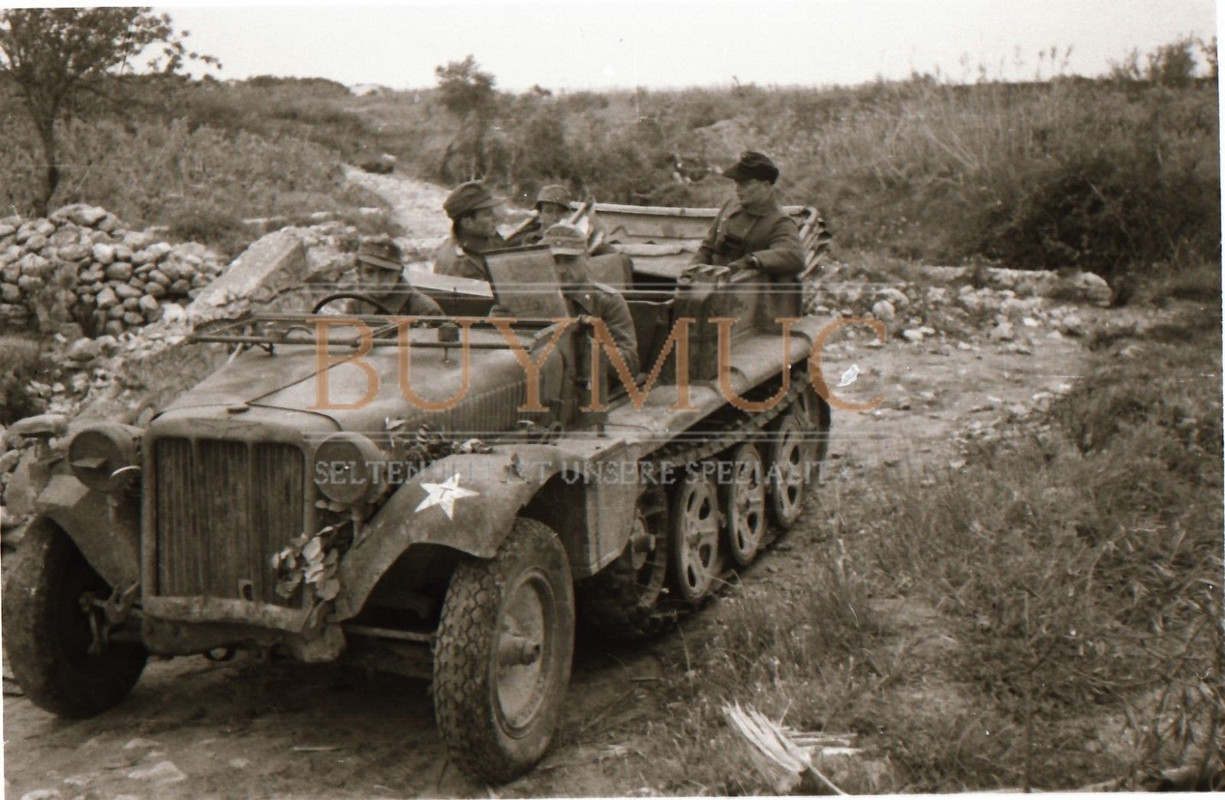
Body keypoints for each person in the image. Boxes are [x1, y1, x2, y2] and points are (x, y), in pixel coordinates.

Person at [546, 222, 638, 378]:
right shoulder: (534, 301)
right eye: (555, 261)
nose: (561, 270)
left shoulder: (608, 301)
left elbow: (630, 362)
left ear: (585, 259)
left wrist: (588, 352)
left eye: (569, 260)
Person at [694, 151, 804, 278]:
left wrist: (753, 260)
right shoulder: (730, 206)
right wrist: (692, 271)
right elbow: (707, 248)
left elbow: (794, 256)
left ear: (766, 186)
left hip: (746, 291)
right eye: (736, 182)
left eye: (745, 184)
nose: (737, 188)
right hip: (711, 284)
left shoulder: (779, 221)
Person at [432, 180, 508, 281]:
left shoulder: (483, 238)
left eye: (493, 212)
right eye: (487, 214)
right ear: (467, 222)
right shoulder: (462, 265)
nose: (495, 218)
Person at [353, 235, 444, 316]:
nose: (377, 282)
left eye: (386, 272)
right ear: (359, 273)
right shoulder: (355, 305)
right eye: (369, 272)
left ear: (399, 272)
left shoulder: (425, 310)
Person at [516, 184, 617, 256]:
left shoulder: (579, 237)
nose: (555, 217)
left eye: (561, 212)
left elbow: (612, 255)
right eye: (549, 211)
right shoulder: (531, 239)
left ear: (569, 215)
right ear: (540, 215)